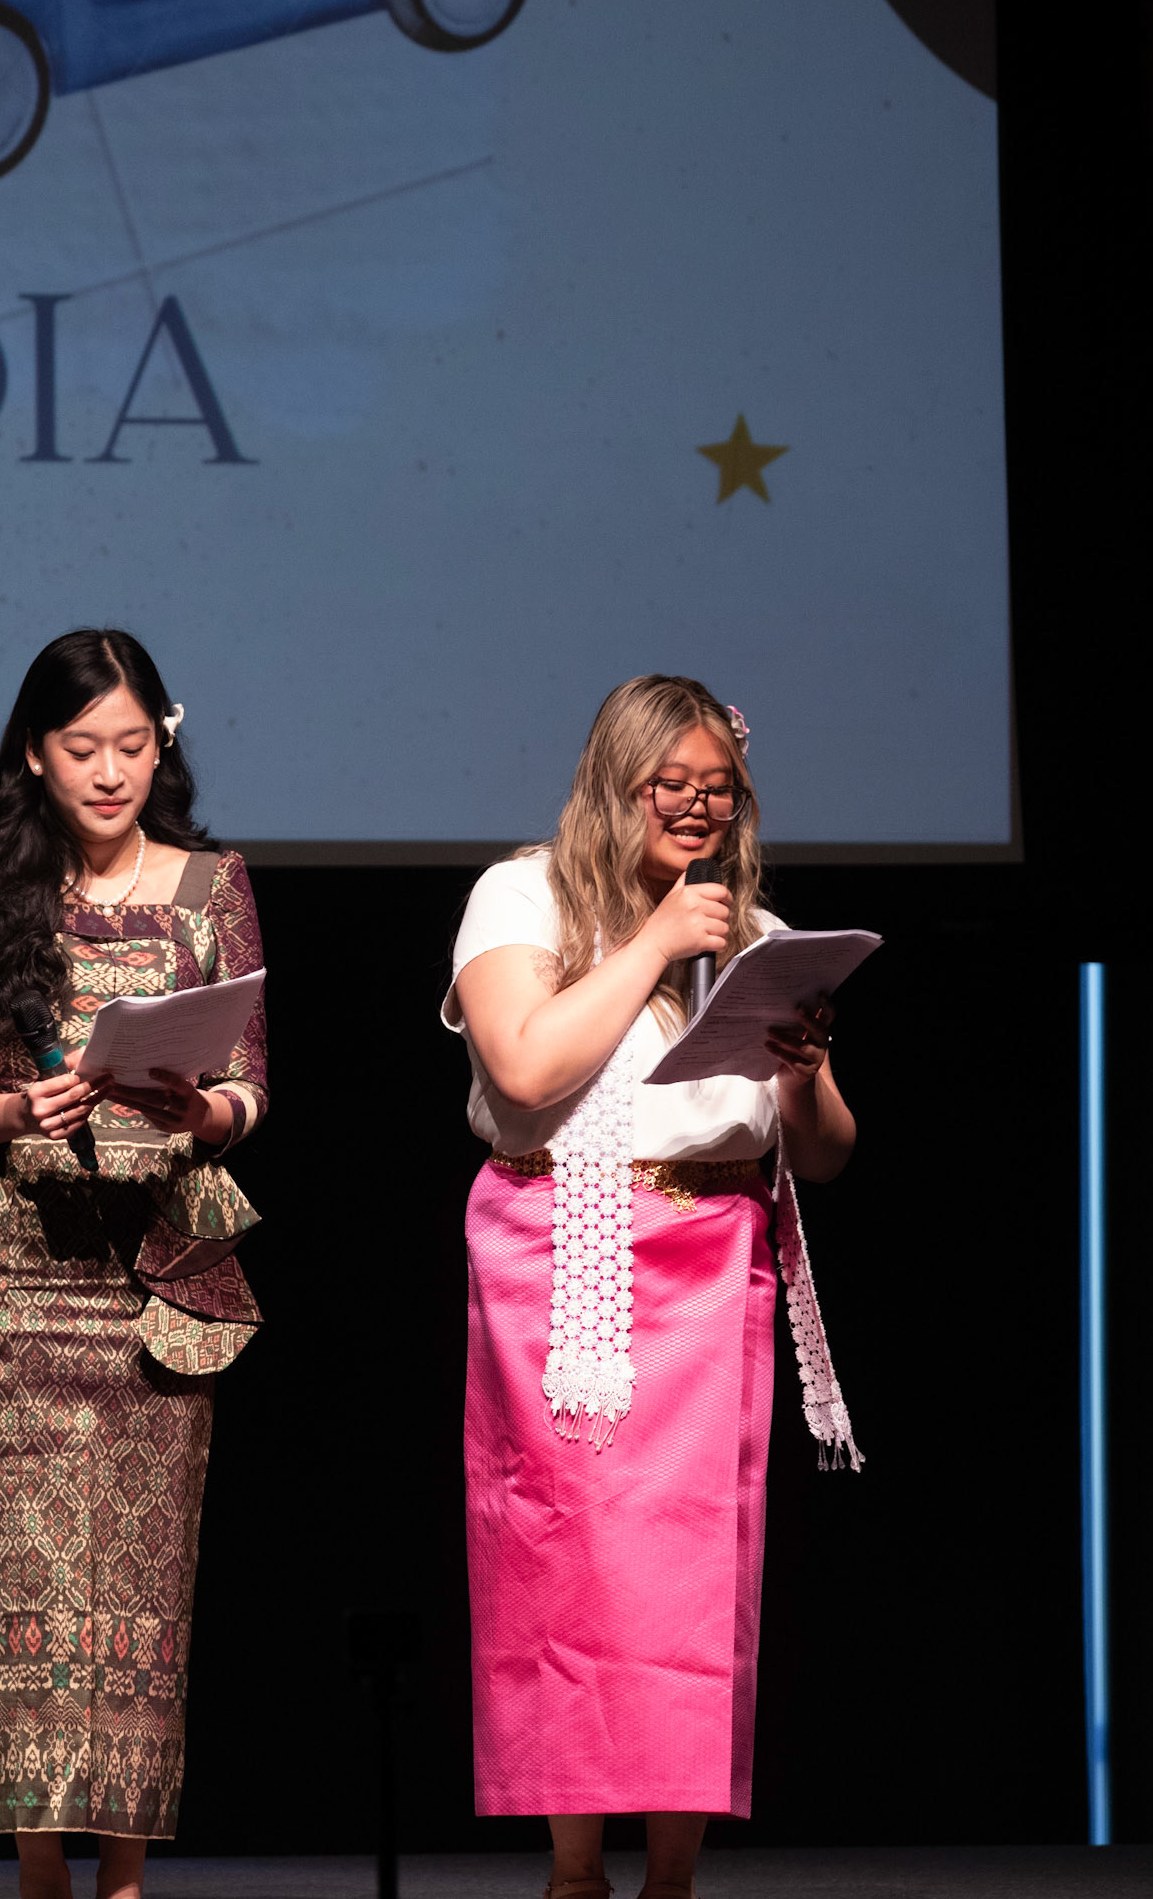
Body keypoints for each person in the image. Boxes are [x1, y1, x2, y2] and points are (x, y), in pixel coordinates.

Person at [442, 675, 861, 1899]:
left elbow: (824, 1154)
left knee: (693, 1573)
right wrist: (655, 941)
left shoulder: (757, 930)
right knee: (562, 1552)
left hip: (711, 1258)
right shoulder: (522, 894)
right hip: (557, 1252)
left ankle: (672, 1874)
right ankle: (574, 1868)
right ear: (610, 781)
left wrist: (803, 1073)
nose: (693, 807)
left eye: (715, 789)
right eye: (666, 784)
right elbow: (523, 1071)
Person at [0, 629, 267, 1899]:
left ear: (159, 745)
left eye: (130, 745)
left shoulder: (212, 885)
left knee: (139, 1592)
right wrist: (8, 1112)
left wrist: (200, 1110)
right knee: (23, 1591)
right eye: (81, 748)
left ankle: (122, 1880)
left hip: (152, 1269)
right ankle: (40, 1876)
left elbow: (251, 1084)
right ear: (33, 754)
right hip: (15, 1275)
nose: (109, 772)